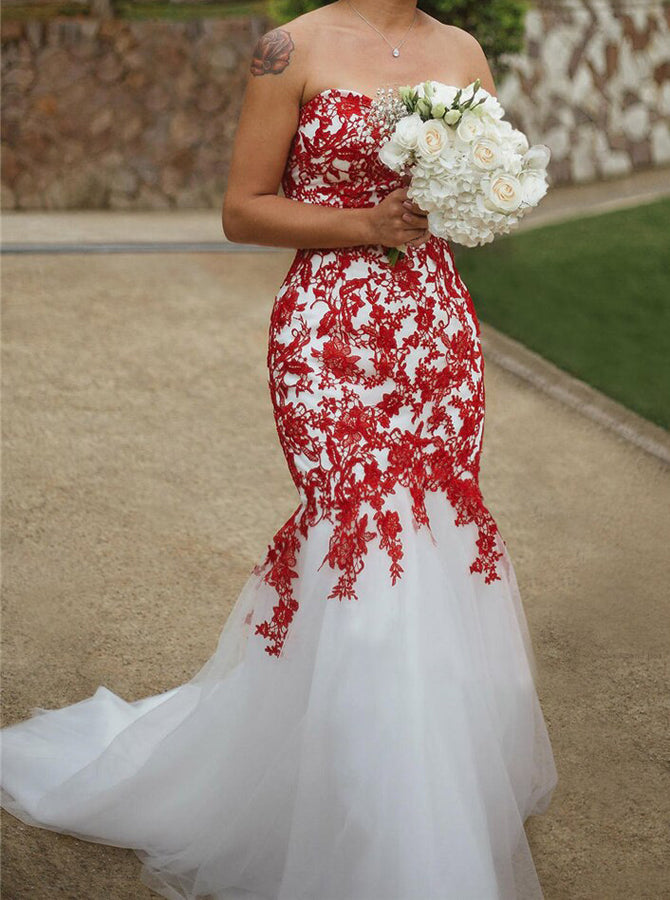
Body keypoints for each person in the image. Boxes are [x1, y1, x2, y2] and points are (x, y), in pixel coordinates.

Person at [0, 1, 558, 897]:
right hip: (328, 331)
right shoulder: (288, 46)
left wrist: (465, 196)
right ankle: (387, 826)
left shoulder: (461, 49)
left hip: (434, 330)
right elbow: (242, 210)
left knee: (435, 526)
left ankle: (431, 778)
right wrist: (363, 226)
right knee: (361, 533)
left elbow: (477, 196)